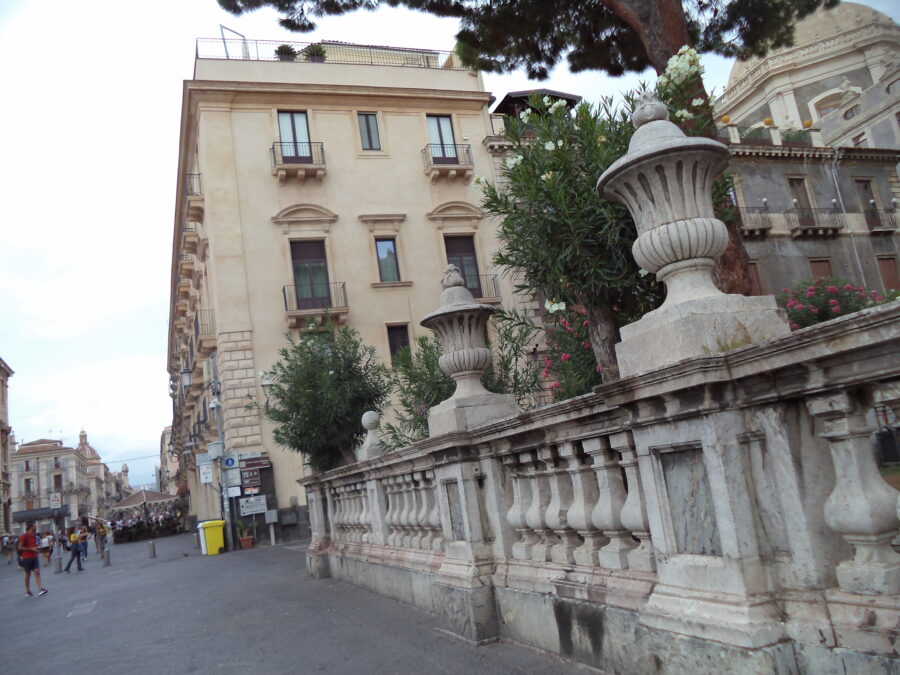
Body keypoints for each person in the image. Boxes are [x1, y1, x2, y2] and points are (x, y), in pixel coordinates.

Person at [17, 521, 48, 597]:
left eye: (35, 530)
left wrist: (37, 548)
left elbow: (34, 545)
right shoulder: (23, 536)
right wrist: (31, 549)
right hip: (26, 558)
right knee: (28, 574)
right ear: (28, 529)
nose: (35, 532)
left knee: (37, 572)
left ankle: (40, 589)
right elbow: (20, 547)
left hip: (34, 556)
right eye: (33, 530)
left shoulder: (34, 536)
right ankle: (28, 591)